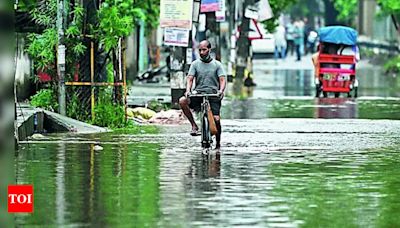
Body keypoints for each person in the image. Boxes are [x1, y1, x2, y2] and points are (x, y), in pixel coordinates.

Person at [179, 40, 226, 149]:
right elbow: (190, 79)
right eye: (200, 50)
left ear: (209, 50)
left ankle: (218, 141)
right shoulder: (195, 64)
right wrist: (188, 90)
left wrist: (221, 91)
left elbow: (222, 79)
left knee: (217, 119)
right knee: (182, 101)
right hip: (198, 94)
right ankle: (194, 125)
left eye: (204, 50)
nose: (201, 52)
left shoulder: (217, 65)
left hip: (213, 95)